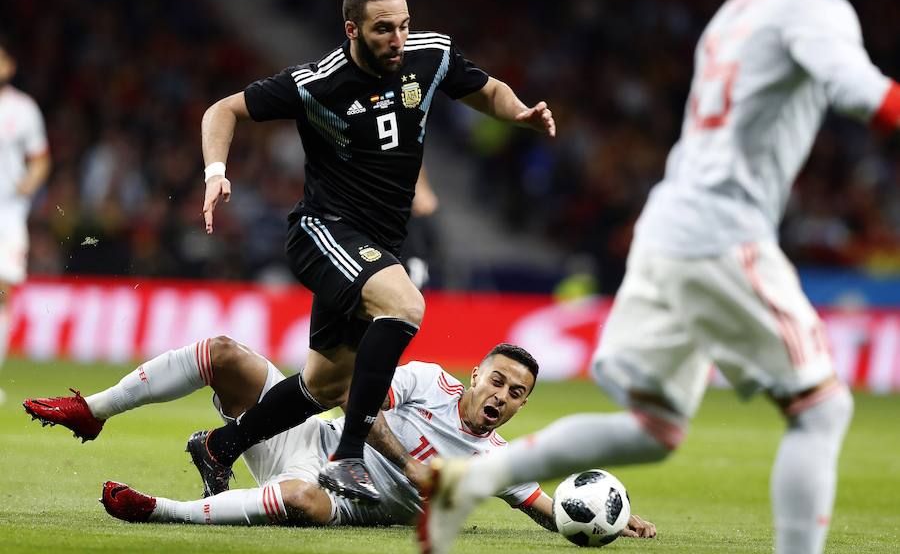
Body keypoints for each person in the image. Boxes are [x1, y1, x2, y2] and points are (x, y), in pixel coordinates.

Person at [417, 0, 900, 553]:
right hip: (725, 230)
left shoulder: (738, 10)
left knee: (654, 430)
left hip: (667, 226)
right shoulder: (814, 6)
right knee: (822, 410)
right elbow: (864, 94)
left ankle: (475, 475)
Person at [197, 0, 555, 504]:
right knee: (406, 303)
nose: (398, 39)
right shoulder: (317, 83)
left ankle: (219, 448)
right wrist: (215, 172)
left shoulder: (428, 56)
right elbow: (223, 109)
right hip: (324, 229)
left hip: (377, 244)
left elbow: (489, 91)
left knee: (324, 384)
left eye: (404, 25)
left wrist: (519, 112)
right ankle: (347, 458)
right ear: (353, 30)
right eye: (383, 29)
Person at [21, 337, 654, 537]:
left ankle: (159, 512)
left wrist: (610, 522)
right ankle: (94, 409)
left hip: (339, 499)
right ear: (475, 375)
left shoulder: (500, 460)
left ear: (521, 407)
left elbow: (552, 510)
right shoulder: (430, 382)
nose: (501, 397)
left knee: (301, 499)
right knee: (223, 354)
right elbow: (358, 400)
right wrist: (407, 460)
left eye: (516, 394)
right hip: (308, 438)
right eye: (497, 381)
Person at [0, 37, 51, 405]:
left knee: (3, 292)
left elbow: (40, 158)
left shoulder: (23, 109)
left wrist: (27, 185)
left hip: (6, 213)